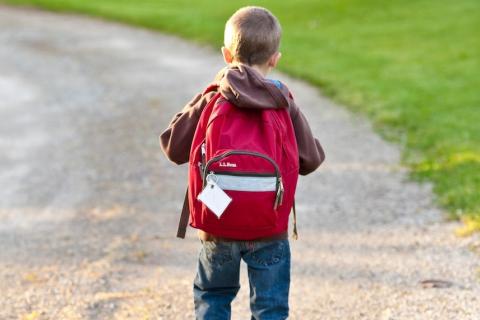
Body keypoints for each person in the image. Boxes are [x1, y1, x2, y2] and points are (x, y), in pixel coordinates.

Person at [160, 6, 325, 319]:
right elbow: (310, 160)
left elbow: (172, 146)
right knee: (270, 307)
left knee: (213, 298)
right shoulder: (283, 100)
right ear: (275, 58)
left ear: (225, 54)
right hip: (269, 224)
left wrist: (202, 98)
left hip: (218, 220)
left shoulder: (213, 96)